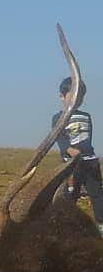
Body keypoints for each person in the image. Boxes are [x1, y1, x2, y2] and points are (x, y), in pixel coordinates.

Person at [52, 75, 103, 233]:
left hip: (90, 161)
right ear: (62, 96)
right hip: (71, 165)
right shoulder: (58, 118)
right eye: (73, 95)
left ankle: (101, 225)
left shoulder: (86, 116)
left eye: (81, 96)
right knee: (70, 194)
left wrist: (93, 156)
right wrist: (68, 149)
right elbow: (58, 137)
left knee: (97, 194)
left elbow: (88, 137)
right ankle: (66, 226)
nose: (77, 99)